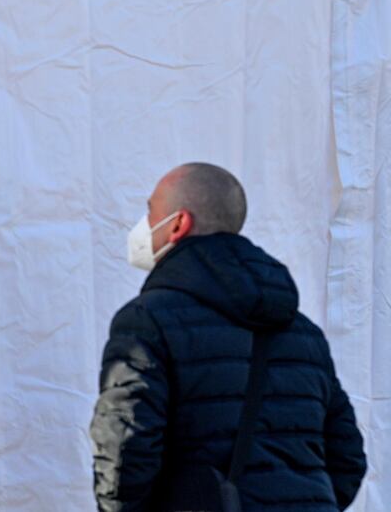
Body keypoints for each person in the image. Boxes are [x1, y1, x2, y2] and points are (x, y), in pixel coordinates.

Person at [90, 163, 366, 511]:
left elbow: (126, 448)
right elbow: (348, 457)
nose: (143, 227)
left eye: (150, 212)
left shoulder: (147, 321)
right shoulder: (303, 332)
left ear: (178, 223)